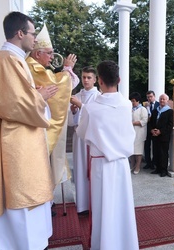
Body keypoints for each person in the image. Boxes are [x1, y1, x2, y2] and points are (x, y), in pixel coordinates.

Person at [0, 11, 55, 249]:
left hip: (21, 138)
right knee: (22, 194)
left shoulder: (12, 59)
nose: (35, 39)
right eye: (32, 34)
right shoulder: (8, 60)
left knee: (25, 192)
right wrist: (39, 97)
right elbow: (12, 105)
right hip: (17, 142)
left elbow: (15, 97)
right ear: (20, 33)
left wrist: (35, 94)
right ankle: (21, 242)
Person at [76, 60, 138, 249]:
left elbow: (81, 133)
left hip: (101, 165)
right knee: (122, 206)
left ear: (99, 81)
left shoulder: (91, 108)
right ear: (118, 79)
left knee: (103, 208)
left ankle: (104, 244)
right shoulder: (127, 105)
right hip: (121, 164)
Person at [26, 23, 80, 189]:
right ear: (38, 53)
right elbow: (59, 85)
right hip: (38, 125)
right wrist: (67, 68)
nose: (51, 57)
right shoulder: (32, 66)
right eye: (49, 53)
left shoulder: (35, 66)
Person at [67, 66, 100, 214]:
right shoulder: (78, 95)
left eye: (89, 77)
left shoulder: (98, 96)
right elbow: (71, 121)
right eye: (84, 77)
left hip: (90, 139)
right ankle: (82, 205)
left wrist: (80, 106)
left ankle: (93, 203)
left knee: (90, 171)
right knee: (79, 169)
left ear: (95, 79)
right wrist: (73, 112)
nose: (86, 80)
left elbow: (96, 116)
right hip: (78, 138)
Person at [149, 93, 173, 177]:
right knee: (156, 152)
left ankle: (163, 170)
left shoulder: (170, 111)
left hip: (164, 136)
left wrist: (160, 131)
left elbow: (170, 125)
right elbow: (151, 122)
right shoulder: (155, 110)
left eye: (164, 99)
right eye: (161, 99)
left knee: (163, 153)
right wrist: (152, 130)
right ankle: (157, 168)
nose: (162, 100)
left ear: (167, 101)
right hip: (155, 136)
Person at [129, 92, 149, 174]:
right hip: (131, 132)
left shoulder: (142, 109)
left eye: (134, 101)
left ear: (138, 101)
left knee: (138, 151)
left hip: (139, 132)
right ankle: (132, 164)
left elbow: (144, 120)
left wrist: (133, 123)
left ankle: (138, 166)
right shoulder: (130, 109)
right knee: (131, 150)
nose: (132, 103)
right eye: (131, 101)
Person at [143, 90, 159, 169]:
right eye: (148, 97)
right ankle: (148, 162)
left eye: (151, 97)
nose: (149, 98)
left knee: (155, 146)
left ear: (154, 96)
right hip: (147, 128)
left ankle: (154, 162)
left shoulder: (158, 105)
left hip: (155, 128)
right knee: (147, 146)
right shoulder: (145, 106)